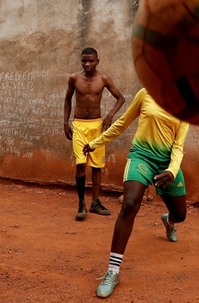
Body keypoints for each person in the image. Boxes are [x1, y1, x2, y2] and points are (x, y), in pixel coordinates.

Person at [82, 87, 190, 299]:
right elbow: (122, 123)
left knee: (181, 215)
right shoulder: (146, 93)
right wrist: (96, 143)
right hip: (141, 156)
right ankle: (113, 272)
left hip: (168, 163)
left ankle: (169, 221)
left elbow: (179, 146)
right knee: (130, 203)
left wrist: (171, 170)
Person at [64, 47, 125, 221]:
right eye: (84, 61)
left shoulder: (103, 79)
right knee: (81, 164)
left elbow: (120, 98)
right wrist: (65, 123)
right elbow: (67, 100)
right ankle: (81, 203)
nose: (87, 64)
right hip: (80, 126)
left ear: (98, 61)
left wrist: (110, 116)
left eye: (91, 60)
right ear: (81, 61)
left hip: (97, 127)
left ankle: (95, 202)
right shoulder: (74, 78)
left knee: (97, 165)